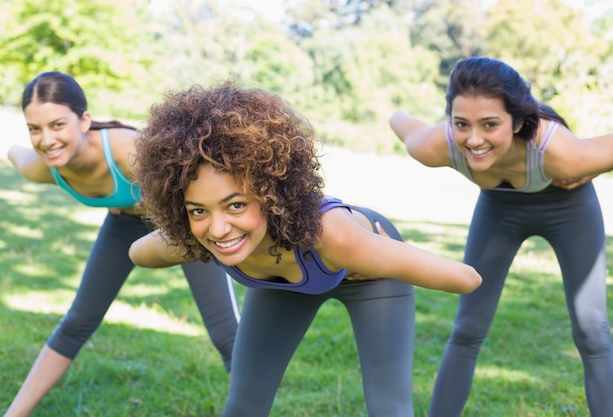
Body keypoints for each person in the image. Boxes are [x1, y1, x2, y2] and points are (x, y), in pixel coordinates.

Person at [127, 81, 482, 417]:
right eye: (198, 210)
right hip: (281, 278)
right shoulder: (199, 234)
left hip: (367, 272)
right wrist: (191, 238)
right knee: (243, 404)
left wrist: (389, 257)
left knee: (390, 408)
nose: (219, 228)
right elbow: (138, 254)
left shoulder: (337, 237)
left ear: (270, 194)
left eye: (236, 205)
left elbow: (466, 279)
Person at [4, 72, 240, 417]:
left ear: (84, 120)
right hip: (124, 222)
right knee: (77, 321)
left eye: (57, 125)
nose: (46, 139)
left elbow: (196, 180)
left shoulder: (129, 151)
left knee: (226, 334)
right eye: (34, 129)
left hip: (180, 221)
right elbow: (17, 154)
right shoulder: (41, 167)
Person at [389, 56, 613, 417]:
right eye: (461, 123)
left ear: (518, 121)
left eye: (490, 124)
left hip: (567, 206)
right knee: (467, 328)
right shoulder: (438, 146)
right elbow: (404, 125)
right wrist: (395, 112)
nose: (474, 139)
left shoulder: (561, 153)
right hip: (499, 210)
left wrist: (593, 165)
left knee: (592, 331)